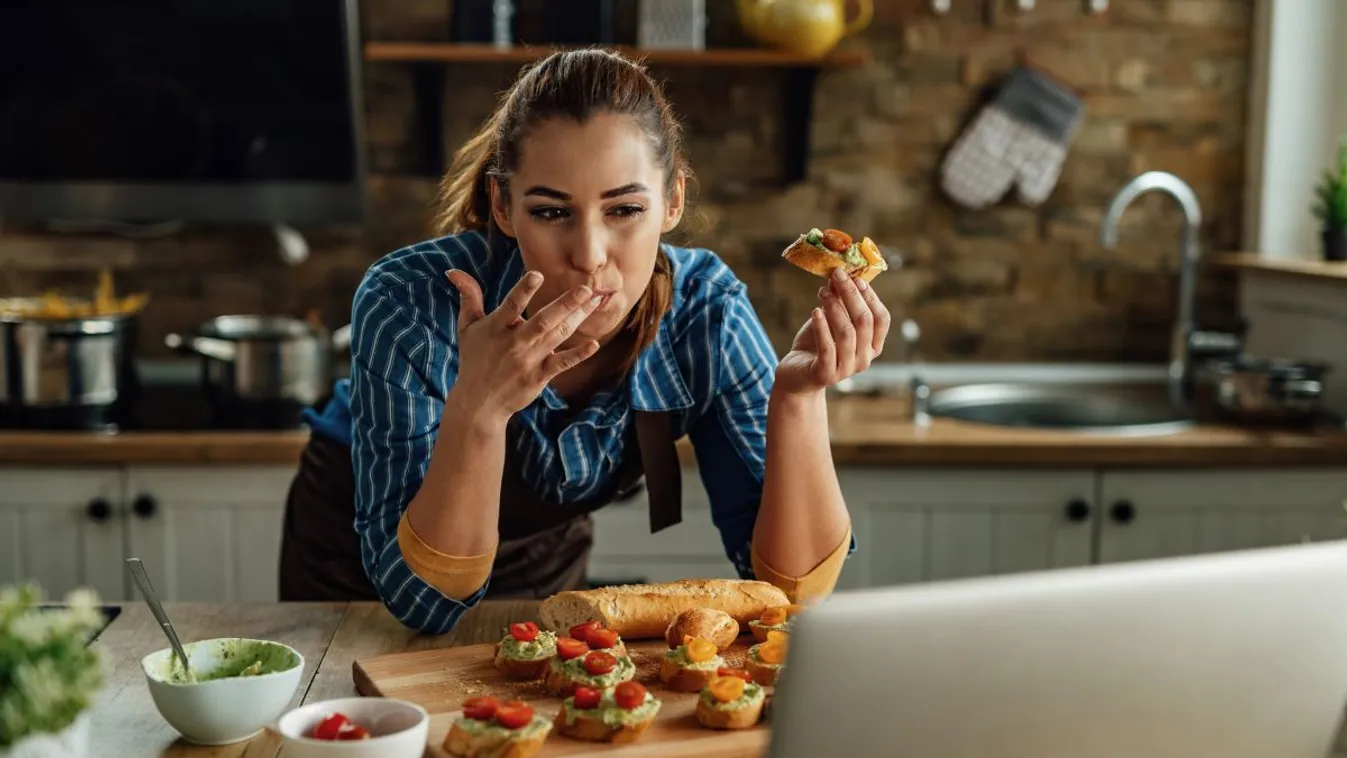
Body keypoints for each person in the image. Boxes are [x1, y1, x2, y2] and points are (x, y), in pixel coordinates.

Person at [278, 48, 891, 634]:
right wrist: (480, 409)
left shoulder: (707, 311)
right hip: (357, 578)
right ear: (502, 204)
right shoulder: (408, 300)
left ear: (672, 200)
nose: (590, 256)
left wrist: (799, 399)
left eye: (624, 210)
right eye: (550, 212)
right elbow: (422, 606)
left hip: (543, 560)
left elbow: (790, 594)